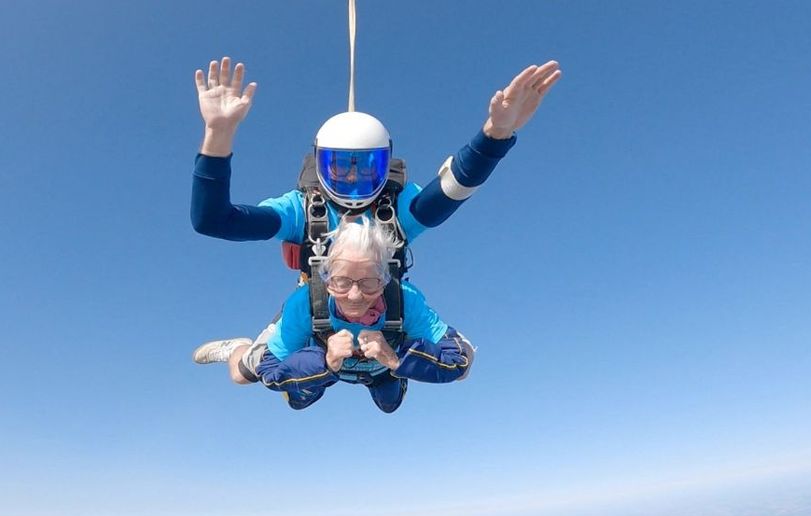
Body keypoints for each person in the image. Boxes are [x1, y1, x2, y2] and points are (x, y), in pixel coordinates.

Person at [189, 56, 560, 388]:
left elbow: (455, 187)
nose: (352, 180)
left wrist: (496, 132)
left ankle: (381, 375)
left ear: (385, 165)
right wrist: (218, 134)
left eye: (366, 167)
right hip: (319, 311)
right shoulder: (303, 209)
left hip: (381, 314)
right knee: (244, 374)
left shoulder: (396, 207)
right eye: (340, 166)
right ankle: (240, 348)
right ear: (319, 164)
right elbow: (213, 221)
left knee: (386, 391)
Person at [245, 219, 473, 413]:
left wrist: (396, 360)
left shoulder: (404, 300)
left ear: (385, 281)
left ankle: (395, 368)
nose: (355, 296)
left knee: (389, 403)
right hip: (323, 363)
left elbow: (459, 359)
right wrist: (324, 361)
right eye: (342, 282)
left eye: (370, 283)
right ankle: (242, 349)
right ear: (327, 280)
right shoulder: (306, 302)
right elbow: (268, 370)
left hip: (382, 369)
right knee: (294, 398)